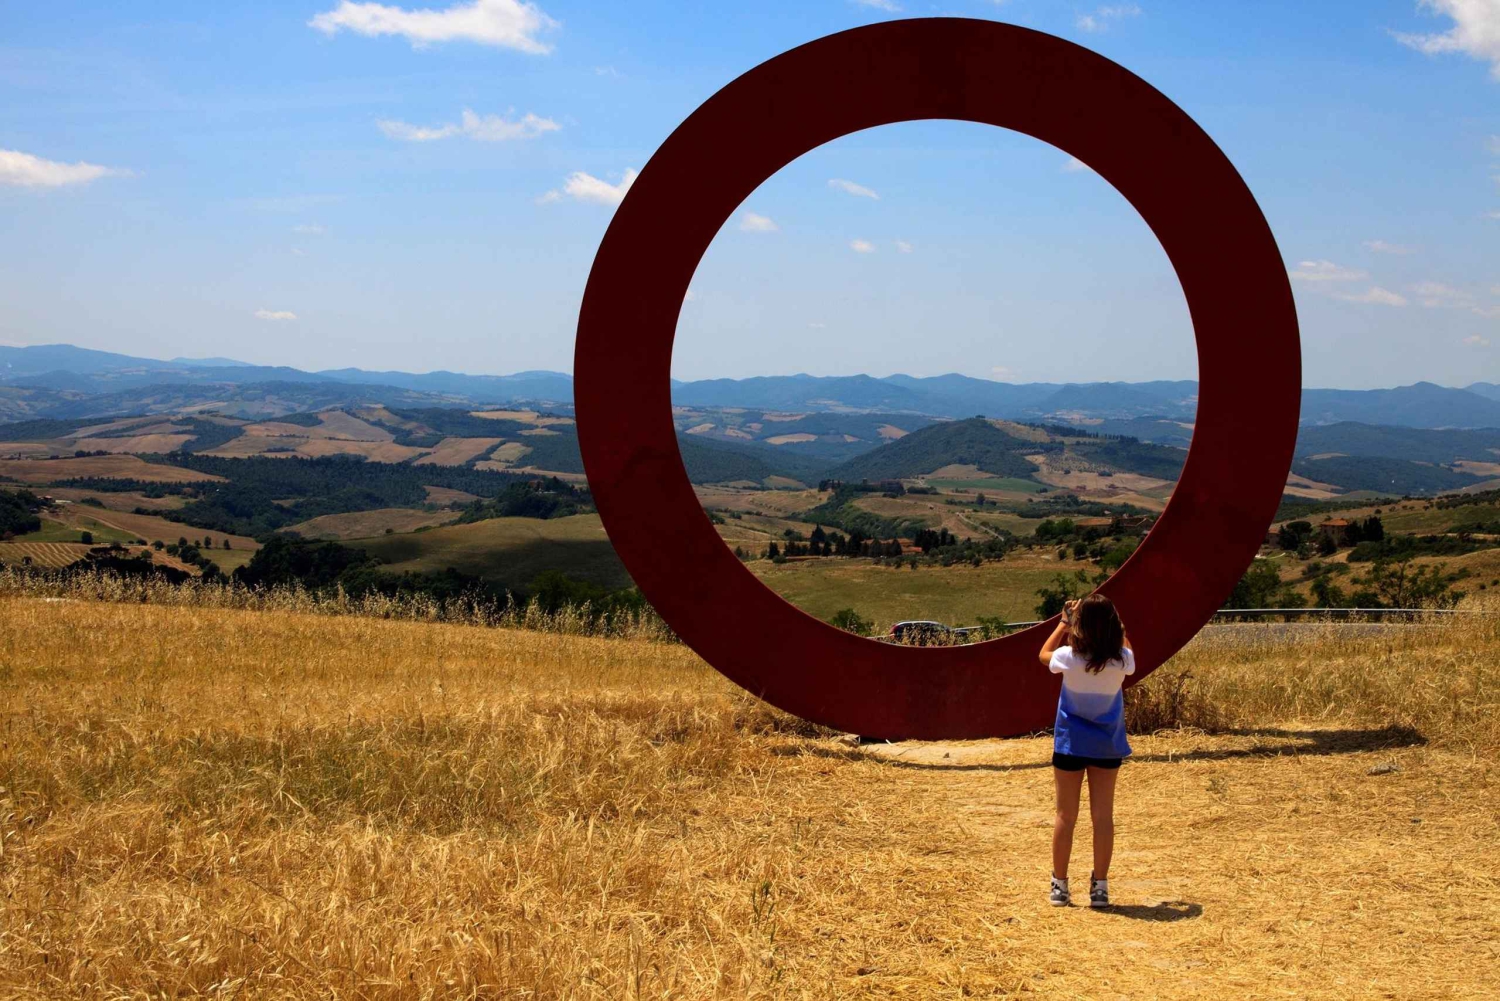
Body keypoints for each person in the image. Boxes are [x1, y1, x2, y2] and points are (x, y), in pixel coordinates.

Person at [1037, 594, 1134, 908]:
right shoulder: (1122, 660)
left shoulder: (1069, 657)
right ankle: (1100, 888)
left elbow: (1043, 654)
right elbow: (1125, 646)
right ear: (1112, 626)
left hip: (1070, 744)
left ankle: (1059, 886)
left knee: (1066, 816)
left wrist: (1065, 622)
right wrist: (1114, 624)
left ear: (1081, 627)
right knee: (1103, 818)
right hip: (1107, 745)